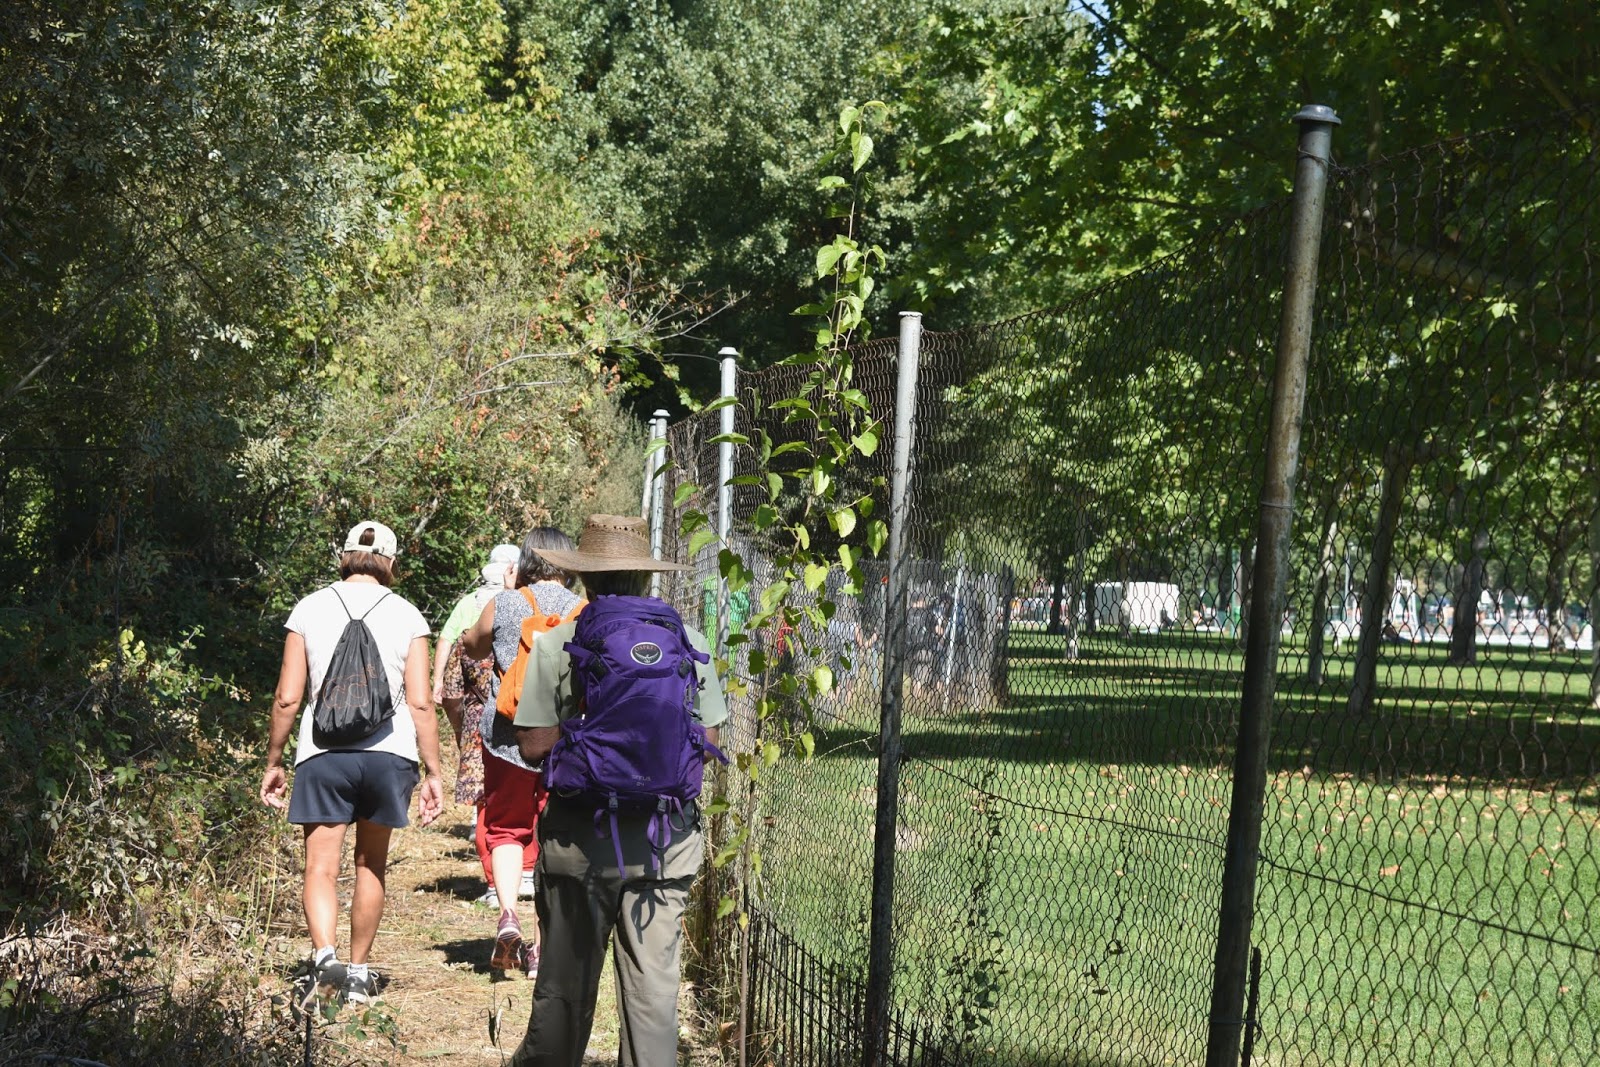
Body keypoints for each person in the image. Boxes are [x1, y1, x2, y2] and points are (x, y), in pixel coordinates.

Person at [507, 514, 727, 1067]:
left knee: (564, 989)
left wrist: (588, 738)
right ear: (647, 577)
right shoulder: (689, 641)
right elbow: (709, 742)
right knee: (654, 996)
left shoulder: (560, 642)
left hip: (580, 842)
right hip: (664, 842)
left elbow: (532, 746)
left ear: (585, 577)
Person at [260, 520, 444, 1006]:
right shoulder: (408, 614)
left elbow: (287, 696)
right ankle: (359, 975)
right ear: (390, 561)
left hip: (323, 753)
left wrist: (274, 760)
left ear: (344, 556)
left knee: (320, 868)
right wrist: (433, 771)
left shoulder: (309, 608)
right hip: (389, 755)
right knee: (371, 864)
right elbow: (421, 702)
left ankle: (326, 960)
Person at [459, 528, 585, 979]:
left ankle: (508, 914)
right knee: (554, 835)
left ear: (526, 560)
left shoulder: (506, 602)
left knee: (506, 829)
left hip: (507, 735)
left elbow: (471, 645)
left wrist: (508, 599)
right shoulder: (582, 610)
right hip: (563, 739)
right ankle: (541, 949)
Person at [438, 543, 520, 907]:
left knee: (486, 805)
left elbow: (450, 667)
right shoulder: (525, 615)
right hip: (519, 721)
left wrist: (458, 723)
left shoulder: (468, 612)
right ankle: (523, 872)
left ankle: (494, 882)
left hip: (476, 721)